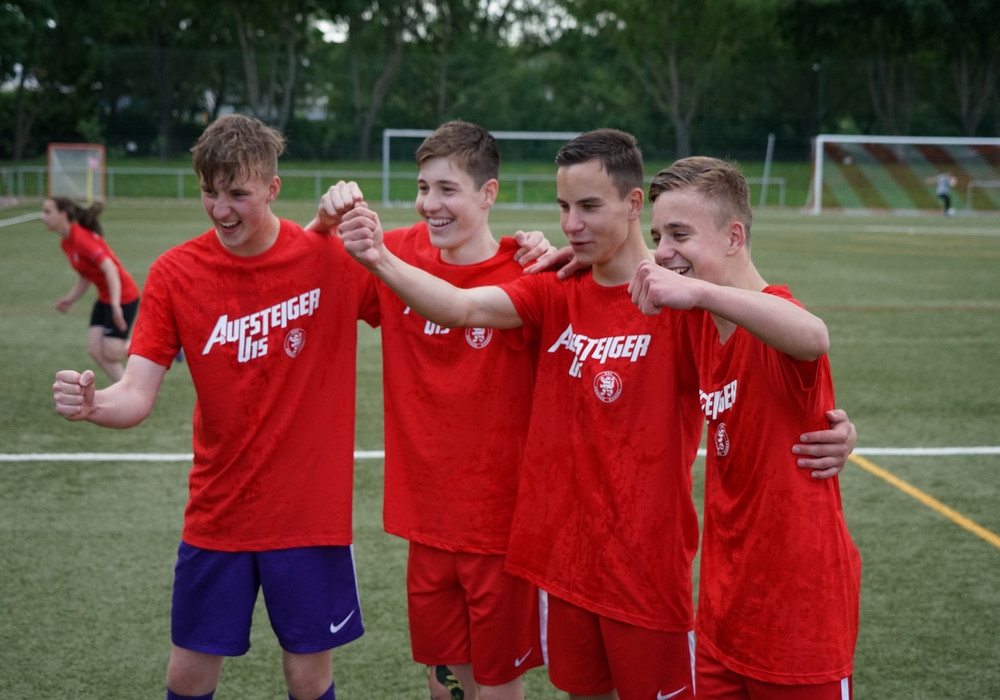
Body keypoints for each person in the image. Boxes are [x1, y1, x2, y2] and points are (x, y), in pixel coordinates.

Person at [336, 128, 856, 700]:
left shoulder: (679, 303)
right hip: (567, 568)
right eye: (563, 207)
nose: (571, 224)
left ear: (632, 204)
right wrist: (379, 259)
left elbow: (783, 346)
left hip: (649, 577)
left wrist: (832, 425)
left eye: (587, 206)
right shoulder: (555, 289)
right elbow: (461, 307)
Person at [51, 113, 379, 700]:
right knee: (187, 674)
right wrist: (94, 403)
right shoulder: (176, 272)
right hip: (219, 512)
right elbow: (135, 393)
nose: (220, 209)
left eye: (237, 194)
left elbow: (433, 289)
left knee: (308, 678)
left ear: (273, 188)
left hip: (309, 517)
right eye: (209, 191)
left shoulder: (329, 258)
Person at [311, 121, 552, 700]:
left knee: (497, 685)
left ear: (488, 194)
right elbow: (298, 275)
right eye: (423, 188)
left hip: (499, 527)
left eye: (447, 189)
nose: (430, 204)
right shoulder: (396, 248)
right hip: (426, 520)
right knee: (445, 684)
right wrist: (321, 225)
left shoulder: (528, 271)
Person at [630, 156, 862, 699]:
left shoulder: (767, 313)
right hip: (725, 605)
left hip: (799, 612)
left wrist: (699, 293)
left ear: (734, 237)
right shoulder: (698, 325)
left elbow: (813, 335)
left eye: (679, 234)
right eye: (658, 236)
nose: (662, 251)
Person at [41, 196, 141, 382]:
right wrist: (70, 299)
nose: (43, 216)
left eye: (47, 212)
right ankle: (126, 388)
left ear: (63, 214)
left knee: (112, 351)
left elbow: (110, 268)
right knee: (95, 349)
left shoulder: (81, 238)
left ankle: (163, 346)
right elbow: (85, 274)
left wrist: (115, 305)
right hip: (105, 297)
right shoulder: (66, 243)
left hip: (124, 295)